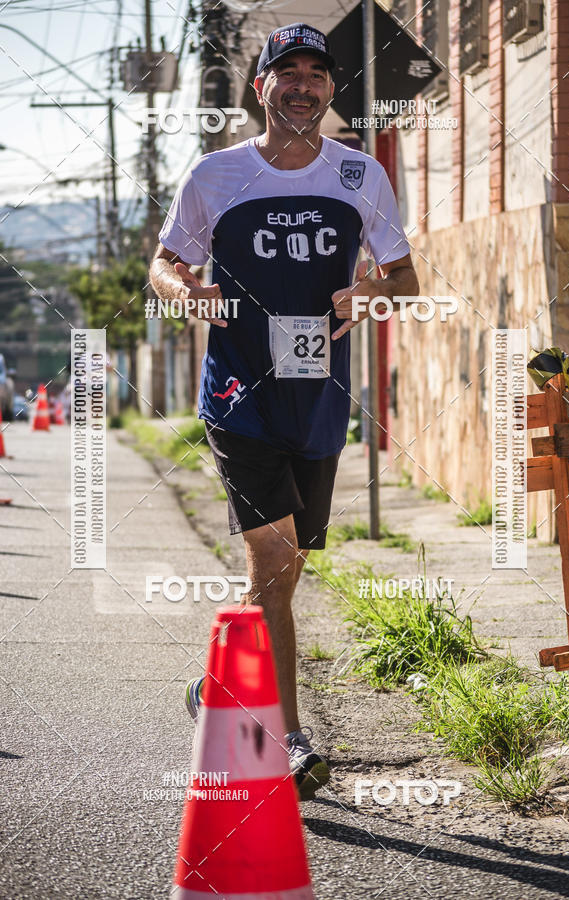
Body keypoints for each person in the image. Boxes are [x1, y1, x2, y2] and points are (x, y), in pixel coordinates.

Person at [149, 22, 419, 800]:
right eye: (286, 72)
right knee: (271, 560)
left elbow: (404, 277)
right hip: (239, 395)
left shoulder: (360, 174)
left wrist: (369, 289)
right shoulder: (216, 175)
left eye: (315, 73)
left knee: (290, 565)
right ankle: (290, 739)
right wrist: (185, 292)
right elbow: (166, 264)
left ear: (330, 88)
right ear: (260, 87)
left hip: (321, 396)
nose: (302, 84)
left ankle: (219, 683)